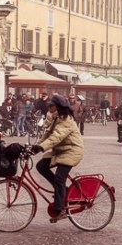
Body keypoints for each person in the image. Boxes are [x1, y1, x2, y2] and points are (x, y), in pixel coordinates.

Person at [31, 94, 84, 223]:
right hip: (61, 151)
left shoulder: (66, 120)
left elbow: (57, 137)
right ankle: (63, 191)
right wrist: (36, 146)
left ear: (58, 107)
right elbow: (48, 135)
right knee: (41, 166)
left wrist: (42, 148)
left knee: (60, 178)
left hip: (72, 151)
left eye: (51, 105)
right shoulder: (55, 117)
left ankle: (60, 210)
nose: (49, 106)